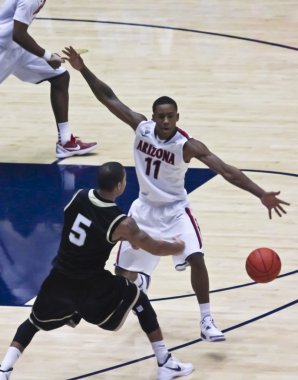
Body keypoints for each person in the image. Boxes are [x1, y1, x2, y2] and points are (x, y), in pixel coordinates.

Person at [62, 46, 290, 343]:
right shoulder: (141, 127)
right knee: (122, 275)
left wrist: (260, 193)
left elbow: (226, 170)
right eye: (161, 116)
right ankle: (140, 280)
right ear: (154, 116)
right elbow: (108, 98)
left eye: (170, 116)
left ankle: (207, 320)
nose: (166, 121)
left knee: (196, 258)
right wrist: (83, 69)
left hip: (175, 211)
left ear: (177, 117)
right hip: (143, 210)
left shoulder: (188, 145)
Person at [0, 161, 193, 380]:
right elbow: (153, 247)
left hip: (59, 277)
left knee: (33, 323)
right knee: (139, 299)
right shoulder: (122, 223)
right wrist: (177, 246)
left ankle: (4, 369)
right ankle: (165, 363)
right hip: (91, 285)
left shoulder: (79, 197)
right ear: (120, 186)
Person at [0, 0, 97, 158]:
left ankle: (65, 142)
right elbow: (18, 33)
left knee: (60, 76)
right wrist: (47, 56)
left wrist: (47, 56)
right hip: (3, 48)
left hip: (16, 49)